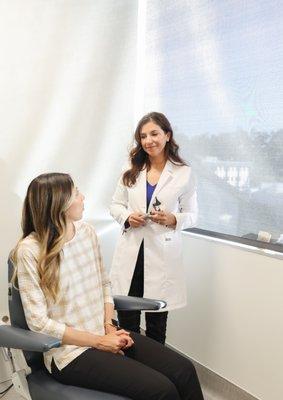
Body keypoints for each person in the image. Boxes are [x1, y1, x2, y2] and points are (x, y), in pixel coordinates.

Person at [12, 172, 204, 400]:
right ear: (59, 203)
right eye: (76, 193)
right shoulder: (29, 251)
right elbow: (39, 324)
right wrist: (98, 341)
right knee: (162, 390)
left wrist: (108, 325)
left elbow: (104, 284)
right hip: (69, 353)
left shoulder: (86, 232)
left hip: (104, 332)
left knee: (184, 371)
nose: (83, 197)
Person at [110, 112, 198, 344]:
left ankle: (156, 375)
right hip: (132, 252)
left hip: (161, 254)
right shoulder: (131, 167)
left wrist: (173, 219)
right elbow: (115, 205)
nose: (149, 140)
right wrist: (128, 216)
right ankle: (130, 371)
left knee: (156, 324)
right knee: (127, 320)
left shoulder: (183, 173)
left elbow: (193, 215)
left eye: (154, 134)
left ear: (167, 135)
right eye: (143, 136)